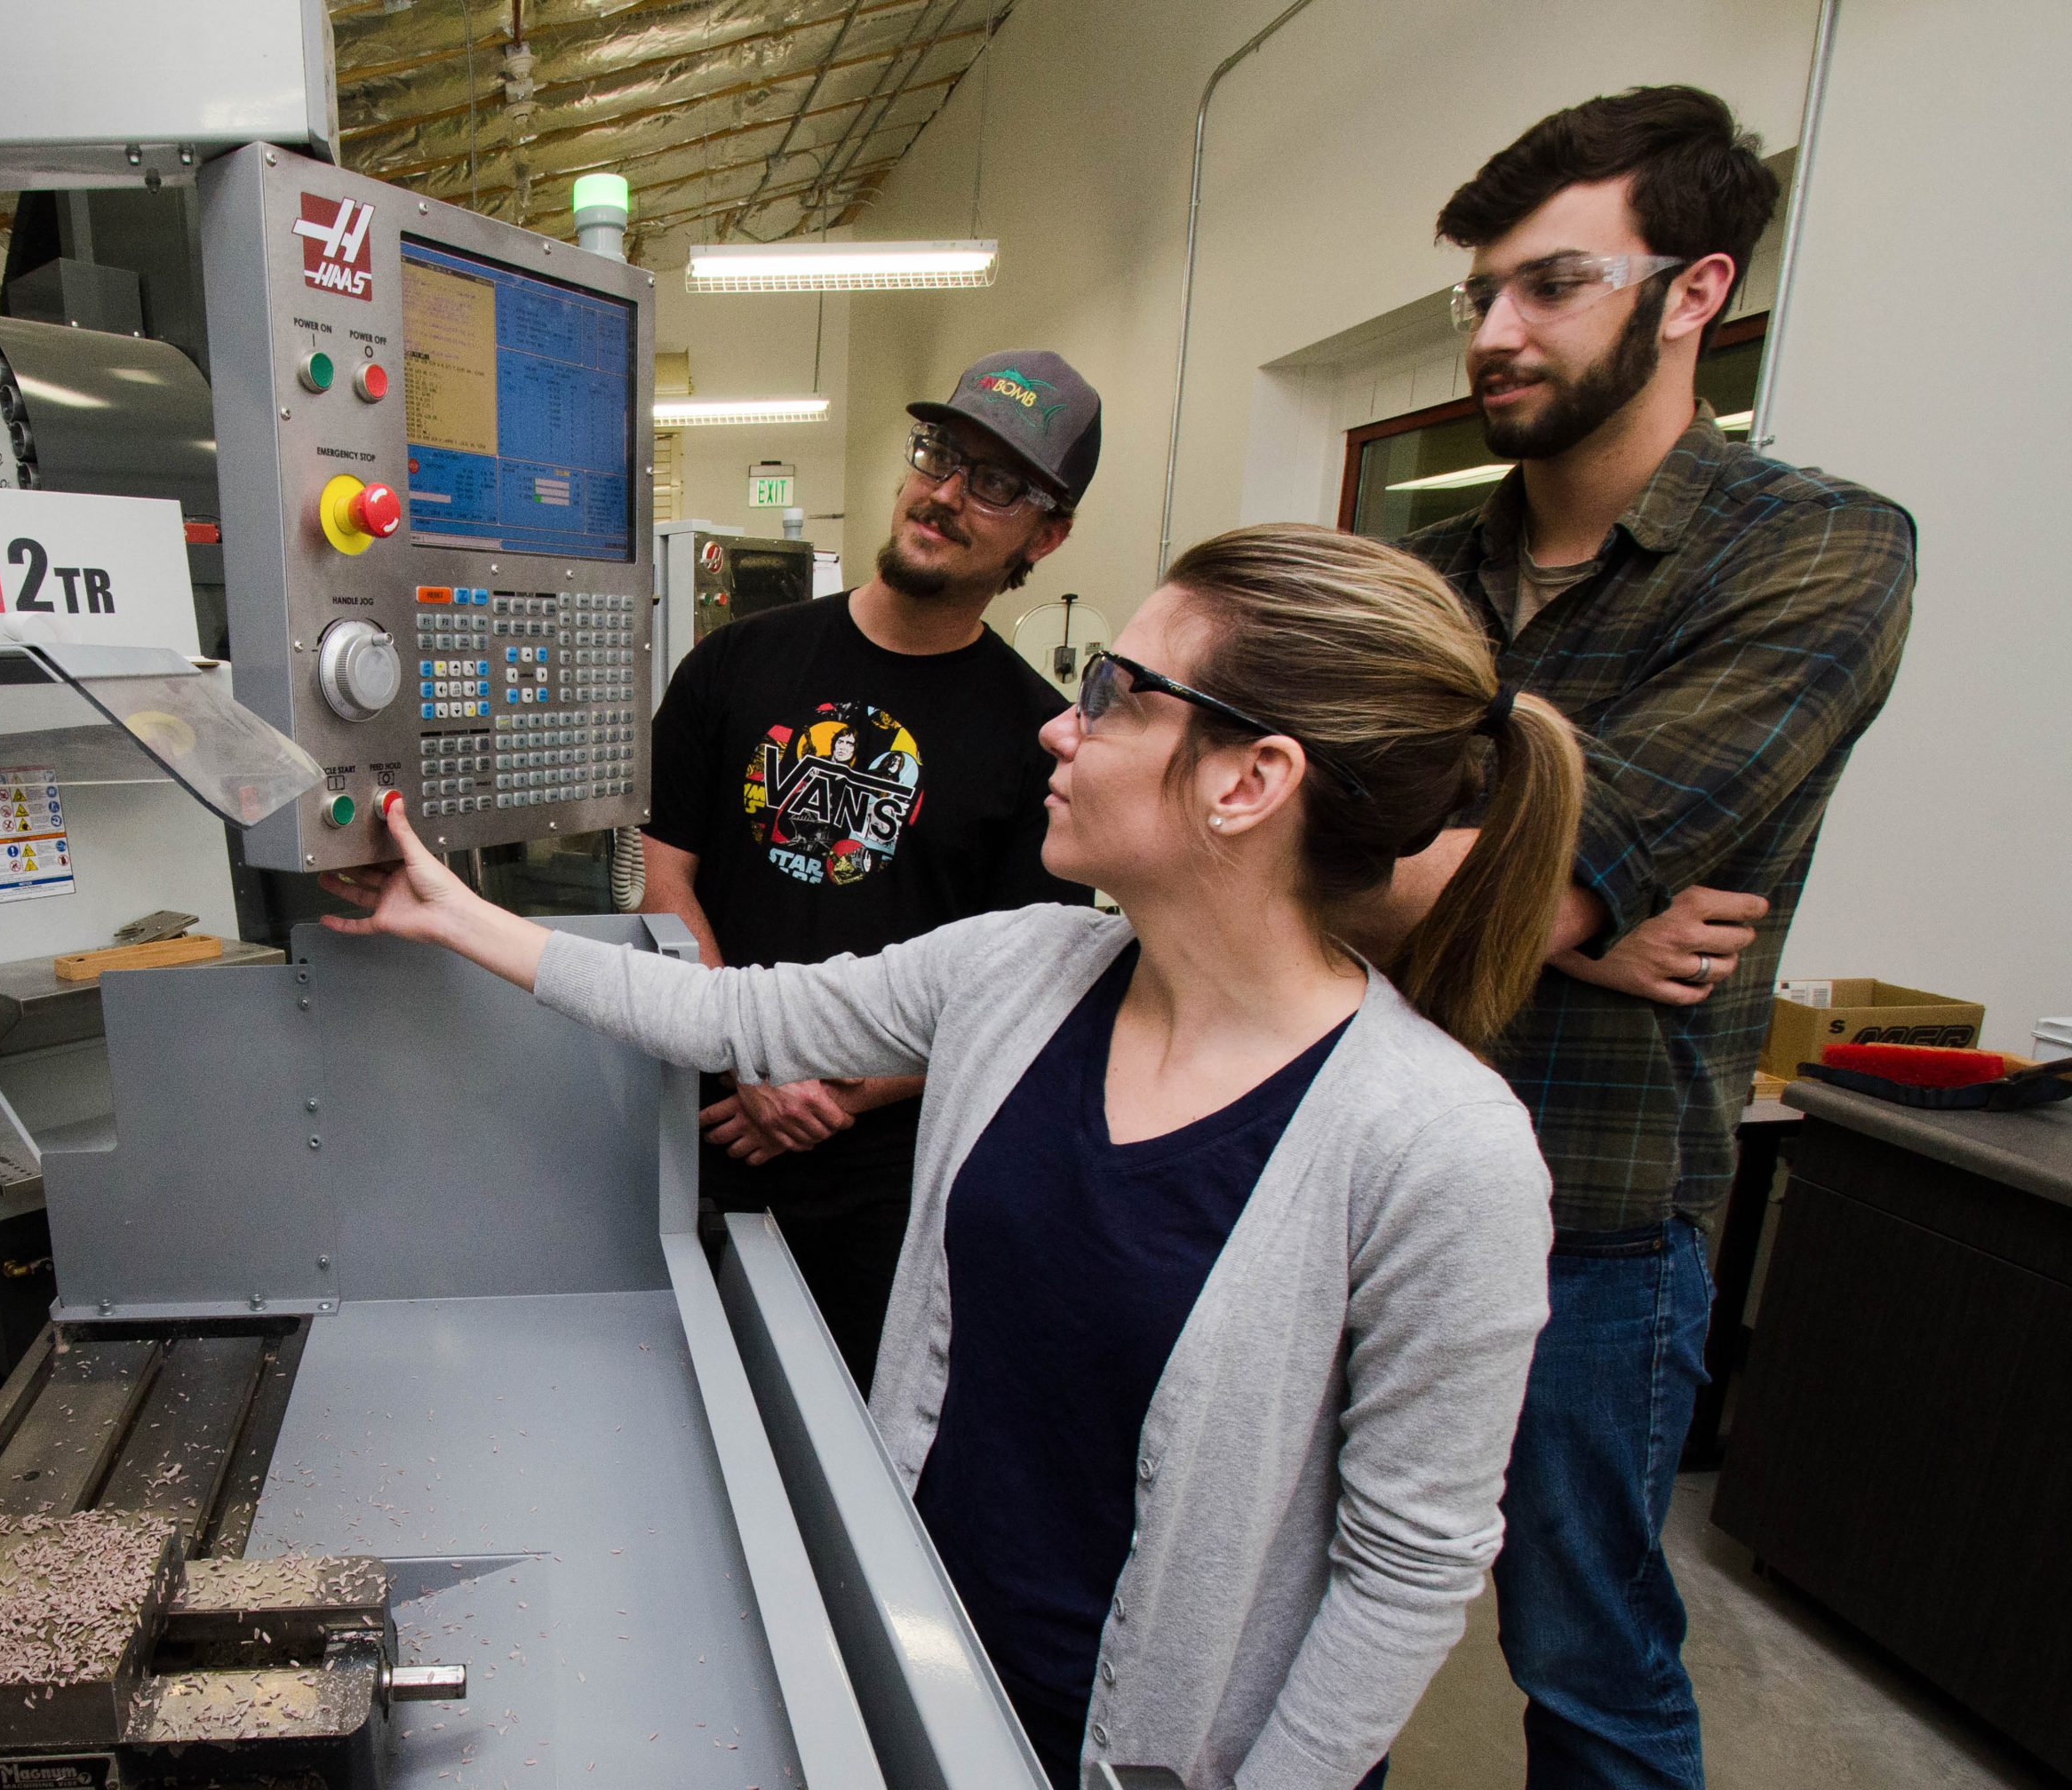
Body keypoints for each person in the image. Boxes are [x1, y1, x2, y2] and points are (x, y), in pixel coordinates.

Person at [323, 521, 1581, 1790]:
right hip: (934, 1685)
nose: (1058, 725)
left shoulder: (1439, 1149)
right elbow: (737, 1012)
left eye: (1113, 695)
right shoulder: (1022, 967)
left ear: (1247, 781)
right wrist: (459, 914)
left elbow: (1407, 1571)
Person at [1363, 87, 1917, 1788]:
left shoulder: (1821, 553)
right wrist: (1568, 923)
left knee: (1586, 1654)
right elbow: (1258, 851)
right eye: (1481, 294)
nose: (1496, 331)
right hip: (1352, 1169)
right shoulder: (1420, 577)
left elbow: (1355, 870)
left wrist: (1487, 889)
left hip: (1591, 1225)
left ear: (1695, 291)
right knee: (1303, 1615)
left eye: (1551, 284)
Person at [640, 349, 1103, 1389]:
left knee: (841, 1454)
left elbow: (1017, 992)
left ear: (1048, 531)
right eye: (939, 454)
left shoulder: (1046, 740)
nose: (945, 493)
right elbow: (663, 876)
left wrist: (836, 1093)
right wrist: (752, 1057)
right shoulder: (733, 664)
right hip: (696, 1132)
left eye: (995, 482)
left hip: (883, 1191)